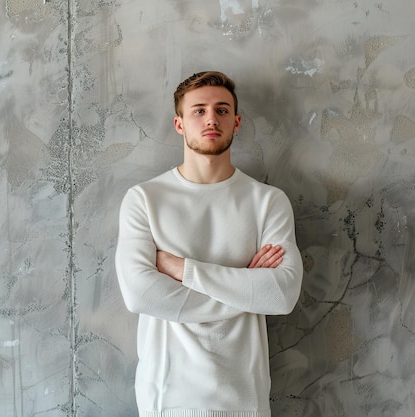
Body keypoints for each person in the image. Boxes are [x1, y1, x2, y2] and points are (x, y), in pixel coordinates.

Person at [115, 71, 303, 417]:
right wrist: (245, 291)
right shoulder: (144, 199)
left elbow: (281, 295)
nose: (211, 119)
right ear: (179, 124)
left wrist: (182, 269)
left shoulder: (268, 202)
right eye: (198, 111)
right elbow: (140, 294)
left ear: (237, 121)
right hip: (166, 400)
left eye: (221, 109)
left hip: (245, 401)